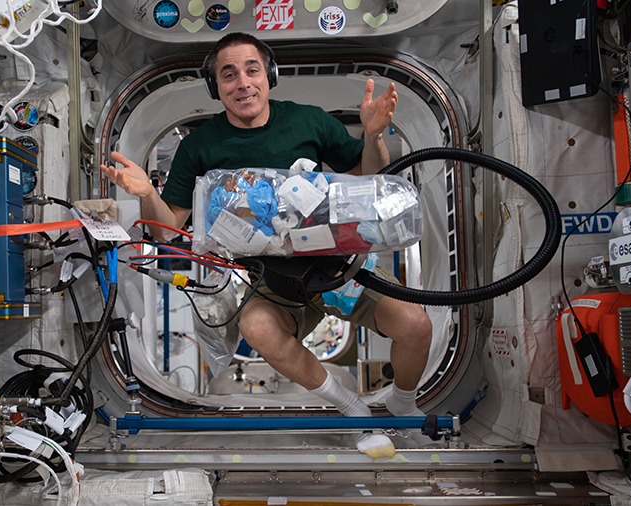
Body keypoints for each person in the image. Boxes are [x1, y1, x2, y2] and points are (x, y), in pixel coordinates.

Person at [101, 33, 432, 458]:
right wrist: (146, 192)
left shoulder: (310, 122)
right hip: (273, 279)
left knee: (416, 326)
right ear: (215, 87)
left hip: (340, 269)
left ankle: (403, 405)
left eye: (252, 70)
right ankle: (353, 410)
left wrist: (373, 137)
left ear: (269, 76)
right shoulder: (199, 147)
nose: (243, 83)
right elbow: (167, 231)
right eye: (229, 75)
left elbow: (374, 182)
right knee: (256, 329)